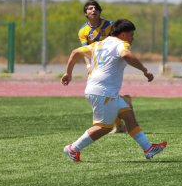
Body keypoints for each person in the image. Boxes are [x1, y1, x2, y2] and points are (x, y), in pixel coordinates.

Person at [61, 19, 167, 162]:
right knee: (104, 127)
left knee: (127, 114)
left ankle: (148, 148)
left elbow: (75, 52)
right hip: (104, 91)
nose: (132, 38)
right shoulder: (122, 44)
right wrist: (144, 70)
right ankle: (73, 149)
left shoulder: (98, 44)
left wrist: (68, 73)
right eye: (131, 35)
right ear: (123, 35)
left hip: (99, 89)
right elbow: (125, 55)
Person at [77, 0, 127, 134]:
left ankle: (111, 123)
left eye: (96, 8)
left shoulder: (110, 25)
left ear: (100, 12)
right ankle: (118, 123)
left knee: (106, 94)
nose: (93, 10)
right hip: (96, 64)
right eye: (90, 9)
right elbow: (85, 51)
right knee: (103, 94)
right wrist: (88, 66)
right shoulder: (83, 31)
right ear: (85, 14)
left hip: (110, 62)